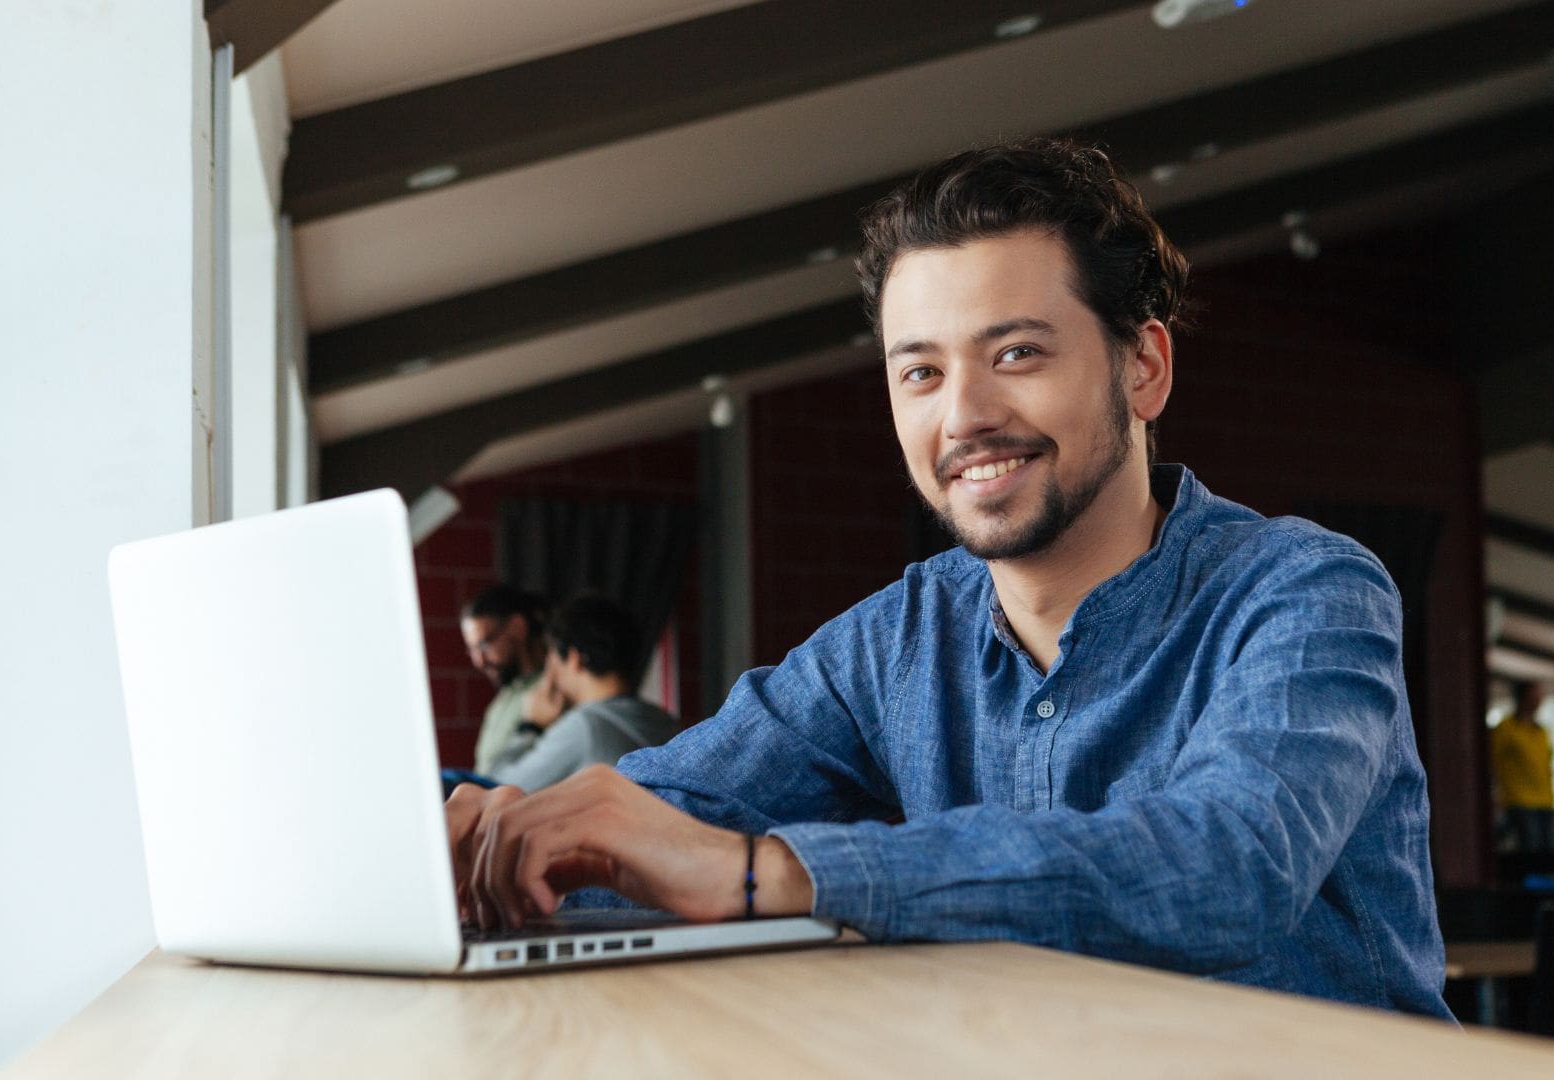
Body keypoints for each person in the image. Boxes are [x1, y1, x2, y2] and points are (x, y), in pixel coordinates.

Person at [446, 137, 1450, 1018]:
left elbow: (1232, 862)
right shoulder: (898, 639)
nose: (961, 415)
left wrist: (766, 875)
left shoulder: (1308, 591)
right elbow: (658, 817)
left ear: (1143, 367)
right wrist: (462, 828)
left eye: (1016, 352)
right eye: (919, 372)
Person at [485, 594, 680, 791]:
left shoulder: (584, 727)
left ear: (574, 658)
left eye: (551, 656)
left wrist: (530, 726)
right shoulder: (666, 722)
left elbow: (496, 787)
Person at [460, 585, 549, 775]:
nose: (479, 661)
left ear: (518, 626)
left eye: (484, 645)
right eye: (472, 650)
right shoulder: (501, 701)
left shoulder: (552, 688)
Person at [1490, 681, 1554, 853]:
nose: (1539, 701)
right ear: (1523, 698)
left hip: (1545, 801)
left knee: (1546, 853)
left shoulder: (1541, 732)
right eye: (1535, 696)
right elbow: (1493, 763)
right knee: (1530, 852)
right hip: (1519, 800)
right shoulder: (1506, 728)